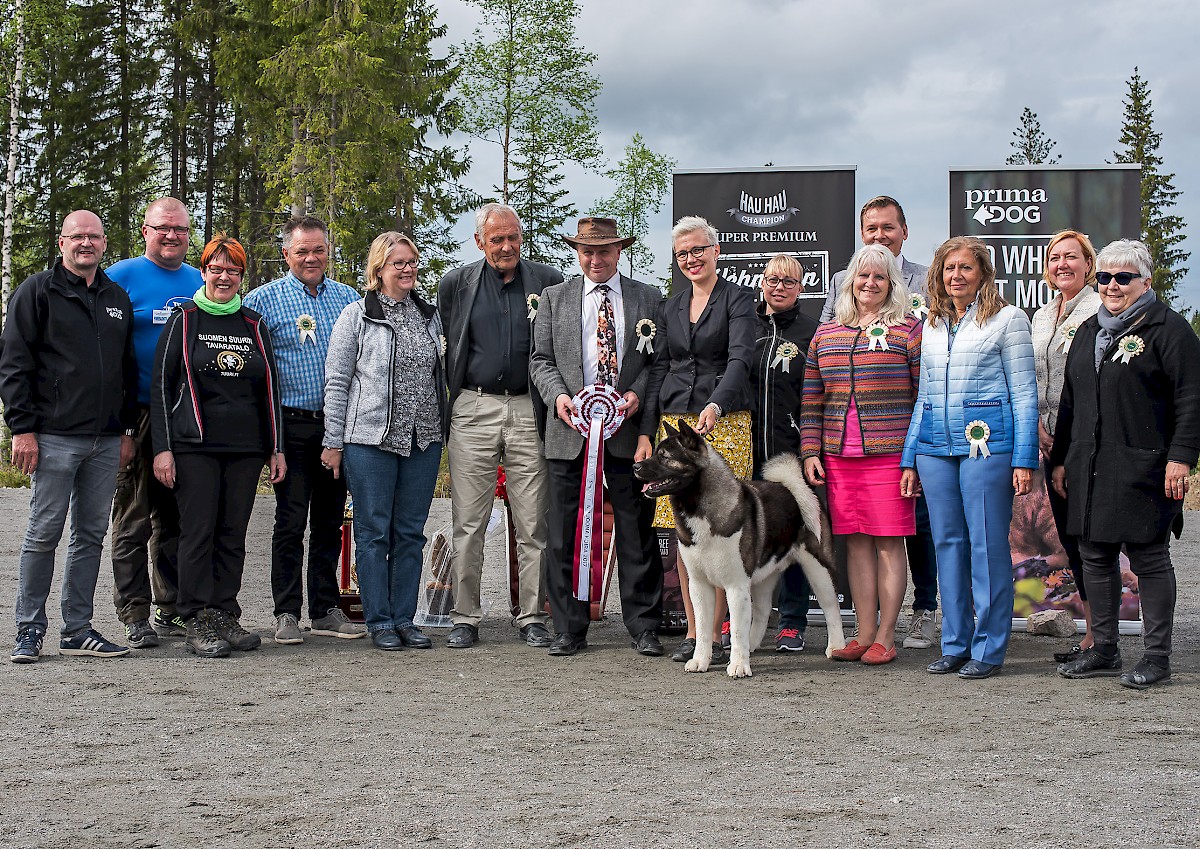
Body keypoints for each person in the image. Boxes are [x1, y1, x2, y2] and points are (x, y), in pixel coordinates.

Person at [1050, 239, 1200, 689]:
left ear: (1145, 282)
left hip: (1146, 466)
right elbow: (1070, 403)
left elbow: (1191, 399)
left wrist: (1181, 459)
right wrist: (1060, 461)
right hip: (1089, 467)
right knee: (1094, 556)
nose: (1111, 285)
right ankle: (1105, 649)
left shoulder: (1169, 330)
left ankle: (1156, 657)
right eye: (1104, 277)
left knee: (1150, 559)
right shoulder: (1089, 332)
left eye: (1123, 278)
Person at [900, 236, 1038, 680]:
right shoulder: (933, 324)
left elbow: (1024, 394)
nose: (955, 276)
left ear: (983, 273)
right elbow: (922, 398)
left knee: (986, 546)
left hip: (988, 447)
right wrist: (909, 457)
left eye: (965, 268)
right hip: (935, 450)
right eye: (948, 268)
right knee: (947, 546)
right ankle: (955, 643)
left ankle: (990, 647)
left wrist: (1024, 458)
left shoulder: (1008, 319)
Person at [3, 210, 138, 663]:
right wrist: (21, 427)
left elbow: (125, 370)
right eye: (77, 236)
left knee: (90, 535)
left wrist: (124, 429)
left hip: (104, 439)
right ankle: (29, 629)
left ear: (104, 244)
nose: (86, 244)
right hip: (53, 436)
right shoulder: (37, 292)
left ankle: (77, 628)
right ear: (61, 243)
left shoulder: (116, 297)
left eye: (94, 237)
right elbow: (14, 363)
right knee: (43, 533)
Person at [529, 217, 665, 657]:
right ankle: (568, 626)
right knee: (563, 532)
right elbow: (540, 360)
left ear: (619, 252)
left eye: (604, 251)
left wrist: (634, 396)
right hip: (569, 430)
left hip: (627, 432)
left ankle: (643, 625)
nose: (595, 259)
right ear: (577, 253)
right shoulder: (555, 298)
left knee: (635, 529)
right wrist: (559, 398)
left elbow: (656, 365)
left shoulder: (648, 297)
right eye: (587, 251)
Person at [151, 235, 286, 658]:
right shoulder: (184, 320)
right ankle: (195, 617)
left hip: (246, 447)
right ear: (204, 270)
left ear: (241, 276)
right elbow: (160, 387)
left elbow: (270, 388)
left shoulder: (253, 323)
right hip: (194, 445)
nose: (224, 276)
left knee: (233, 533)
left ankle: (225, 611)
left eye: (232, 270)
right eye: (216, 268)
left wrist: (276, 447)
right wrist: (163, 448)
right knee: (198, 531)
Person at [437, 203, 563, 649]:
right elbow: (448, 347)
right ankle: (465, 616)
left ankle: (532, 614)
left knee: (533, 523)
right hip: (473, 408)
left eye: (513, 237)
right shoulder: (455, 283)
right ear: (479, 242)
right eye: (496, 239)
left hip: (531, 409)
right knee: (468, 522)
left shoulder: (548, 281)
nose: (506, 246)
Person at [635, 215, 756, 663]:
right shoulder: (670, 306)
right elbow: (660, 369)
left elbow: (741, 359)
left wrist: (716, 404)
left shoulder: (739, 300)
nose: (690, 259)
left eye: (698, 250)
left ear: (715, 251)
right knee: (685, 535)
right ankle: (695, 632)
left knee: (721, 535)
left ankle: (723, 633)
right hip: (675, 423)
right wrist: (649, 431)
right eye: (682, 253)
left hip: (722, 424)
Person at [820, 196, 939, 651]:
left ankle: (919, 612)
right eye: (871, 229)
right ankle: (865, 631)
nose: (879, 236)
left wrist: (916, 449)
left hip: (896, 441)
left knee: (909, 535)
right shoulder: (840, 283)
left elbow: (923, 380)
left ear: (903, 231)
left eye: (887, 228)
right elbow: (828, 353)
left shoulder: (927, 281)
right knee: (857, 540)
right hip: (844, 444)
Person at [243, 216, 365, 645]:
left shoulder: (349, 300)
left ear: (328, 251)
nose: (311, 258)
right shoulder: (262, 301)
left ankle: (326, 609)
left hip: (338, 429)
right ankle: (286, 611)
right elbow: (254, 374)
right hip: (290, 426)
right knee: (291, 520)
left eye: (318, 250)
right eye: (302, 252)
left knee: (331, 520)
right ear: (285, 254)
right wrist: (268, 441)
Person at [320, 232, 445, 651]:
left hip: (422, 441)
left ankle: (405, 618)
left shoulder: (429, 316)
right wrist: (333, 441)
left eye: (412, 262)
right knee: (373, 534)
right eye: (399, 263)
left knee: (410, 534)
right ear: (379, 269)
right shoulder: (356, 316)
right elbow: (337, 383)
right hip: (369, 440)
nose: (408, 269)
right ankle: (379, 621)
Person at [801, 245, 921, 666]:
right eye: (862, 276)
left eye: (880, 278)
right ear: (849, 280)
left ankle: (887, 636)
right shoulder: (827, 332)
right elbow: (812, 397)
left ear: (892, 285)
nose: (869, 284)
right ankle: (863, 630)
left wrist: (913, 457)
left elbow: (923, 397)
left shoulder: (909, 330)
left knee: (889, 543)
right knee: (854, 544)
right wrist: (810, 449)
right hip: (837, 454)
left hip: (890, 454)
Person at [105, 197, 200, 649]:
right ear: (146, 231)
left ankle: (173, 606)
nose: (171, 236)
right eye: (163, 228)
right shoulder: (121, 278)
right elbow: (104, 354)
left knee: (175, 518)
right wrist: (120, 426)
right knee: (132, 517)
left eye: (180, 229)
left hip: (182, 415)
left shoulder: (199, 281)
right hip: (136, 413)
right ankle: (134, 613)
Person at [1030, 230, 1101, 662]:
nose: (1062, 265)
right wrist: (1037, 425)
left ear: (1089, 265)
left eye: (1071, 257)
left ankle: (1099, 635)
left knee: (1093, 539)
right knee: (1072, 541)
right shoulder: (1040, 315)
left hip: (1086, 444)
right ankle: (1093, 632)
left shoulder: (1100, 310)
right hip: (1047, 441)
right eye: (1055, 258)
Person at [750, 253, 819, 652]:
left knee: (791, 538)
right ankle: (740, 620)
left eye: (789, 282)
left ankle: (792, 620)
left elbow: (818, 397)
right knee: (745, 538)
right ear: (762, 282)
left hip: (789, 452)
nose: (780, 287)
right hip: (744, 450)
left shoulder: (812, 331)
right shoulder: (744, 325)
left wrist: (809, 447)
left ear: (801, 287)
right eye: (773, 279)